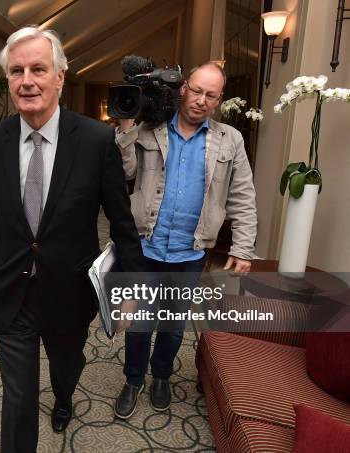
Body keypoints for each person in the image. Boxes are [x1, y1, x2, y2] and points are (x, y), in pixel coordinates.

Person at [0, 27, 145, 453]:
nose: (27, 80)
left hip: (70, 291)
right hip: (11, 290)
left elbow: (121, 222)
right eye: (16, 71)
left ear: (60, 77)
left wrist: (130, 285)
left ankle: (65, 394)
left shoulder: (94, 139)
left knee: (66, 366)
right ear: (8, 80)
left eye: (38, 69)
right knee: (17, 398)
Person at [113, 62, 257, 418]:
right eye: (196, 91)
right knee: (139, 324)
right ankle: (134, 379)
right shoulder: (149, 130)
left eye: (211, 95)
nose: (201, 100)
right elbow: (123, 172)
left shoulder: (230, 140)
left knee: (174, 326)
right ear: (183, 88)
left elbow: (242, 195)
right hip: (145, 247)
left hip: (189, 254)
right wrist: (127, 124)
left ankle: (161, 375)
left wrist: (242, 247)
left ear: (219, 99)